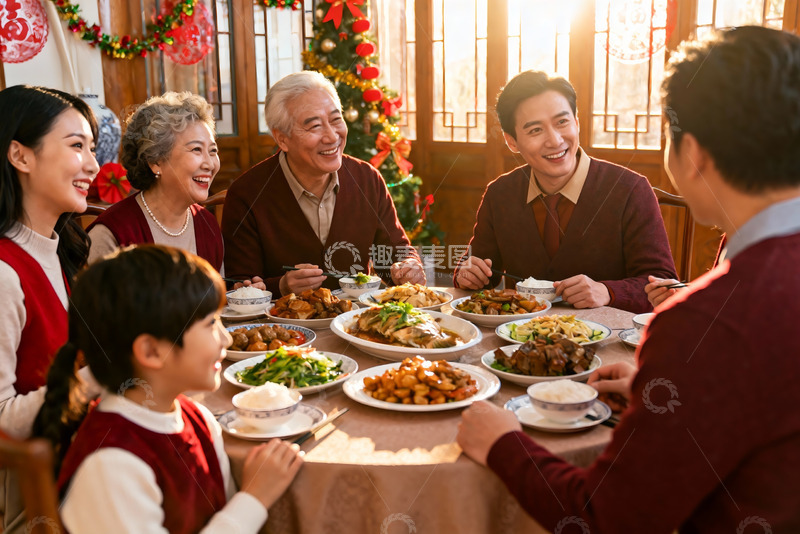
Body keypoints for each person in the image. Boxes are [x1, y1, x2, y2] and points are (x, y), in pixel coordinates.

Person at [457, 26, 800, 532]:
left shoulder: (702, 321)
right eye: (534, 129)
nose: (554, 140)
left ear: (693, 153)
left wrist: (502, 442)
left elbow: (605, 518)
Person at [34, 245, 303, 532]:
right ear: (151, 351)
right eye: (211, 323)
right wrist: (254, 499)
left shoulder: (198, 418)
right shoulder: (111, 464)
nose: (226, 339)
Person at [454, 70, 676, 313]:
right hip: (519, 333)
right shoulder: (500, 194)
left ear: (576, 122)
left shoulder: (631, 190)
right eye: (535, 130)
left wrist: (608, 291)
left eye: (562, 122)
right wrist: (468, 274)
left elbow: (664, 283)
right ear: (512, 141)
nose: (555, 140)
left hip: (610, 333)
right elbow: (478, 267)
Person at [222, 71, 425, 297]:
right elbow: (239, 287)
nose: (332, 136)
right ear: (282, 139)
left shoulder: (367, 178)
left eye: (336, 120)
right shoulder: (246, 194)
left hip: (357, 317)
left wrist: (408, 267)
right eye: (314, 126)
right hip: (283, 319)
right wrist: (281, 287)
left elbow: (396, 254)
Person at [0, 85, 102, 532]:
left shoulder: (60, 251)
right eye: (77, 146)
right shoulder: (5, 274)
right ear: (20, 156)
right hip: (37, 502)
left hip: (86, 464)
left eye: (92, 149)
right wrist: (100, 375)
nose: (93, 165)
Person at [88, 92, 258, 287]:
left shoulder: (207, 226)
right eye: (196, 149)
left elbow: (213, 301)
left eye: (213, 151)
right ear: (155, 161)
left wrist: (236, 296)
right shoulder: (112, 234)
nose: (210, 164)